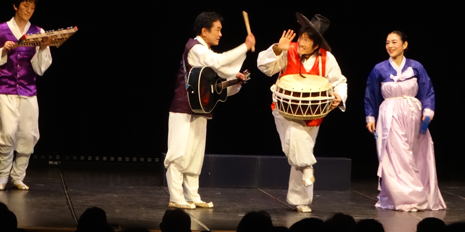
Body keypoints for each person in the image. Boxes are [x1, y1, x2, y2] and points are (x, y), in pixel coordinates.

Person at [257, 13, 347, 213]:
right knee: (297, 138)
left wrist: (339, 96)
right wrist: (277, 49)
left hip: (314, 114)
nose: (301, 43)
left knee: (298, 148)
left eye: (307, 40)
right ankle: (308, 168)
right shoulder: (287, 51)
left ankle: (301, 200)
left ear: (316, 45)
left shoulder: (327, 58)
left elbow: (339, 81)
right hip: (284, 111)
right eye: (301, 38)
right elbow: (264, 67)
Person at [164, 12, 255, 209]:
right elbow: (219, 62)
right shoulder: (195, 48)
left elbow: (218, 91)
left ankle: (193, 195)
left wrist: (235, 83)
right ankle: (176, 197)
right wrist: (244, 47)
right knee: (179, 153)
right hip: (183, 109)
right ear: (204, 31)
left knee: (195, 155)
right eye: (218, 30)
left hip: (199, 109)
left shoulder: (206, 55)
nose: (220, 34)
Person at [0, 0, 53, 191]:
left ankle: (18, 176)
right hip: (6, 90)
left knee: (27, 135)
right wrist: (2, 50)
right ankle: (3, 175)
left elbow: (40, 68)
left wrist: (44, 48)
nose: (29, 10)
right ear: (15, 6)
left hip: (28, 91)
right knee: (7, 133)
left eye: (32, 7)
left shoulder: (38, 31)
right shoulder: (0, 30)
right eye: (25, 6)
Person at [364, 31, 446, 211]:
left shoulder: (416, 67)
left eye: (394, 42)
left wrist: (427, 113)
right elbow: (371, 94)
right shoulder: (379, 69)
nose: (390, 46)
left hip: (413, 114)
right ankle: (404, 197)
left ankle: (421, 194)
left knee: (416, 154)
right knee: (395, 154)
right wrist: (370, 116)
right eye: (387, 43)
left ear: (405, 45)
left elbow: (427, 90)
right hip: (390, 114)